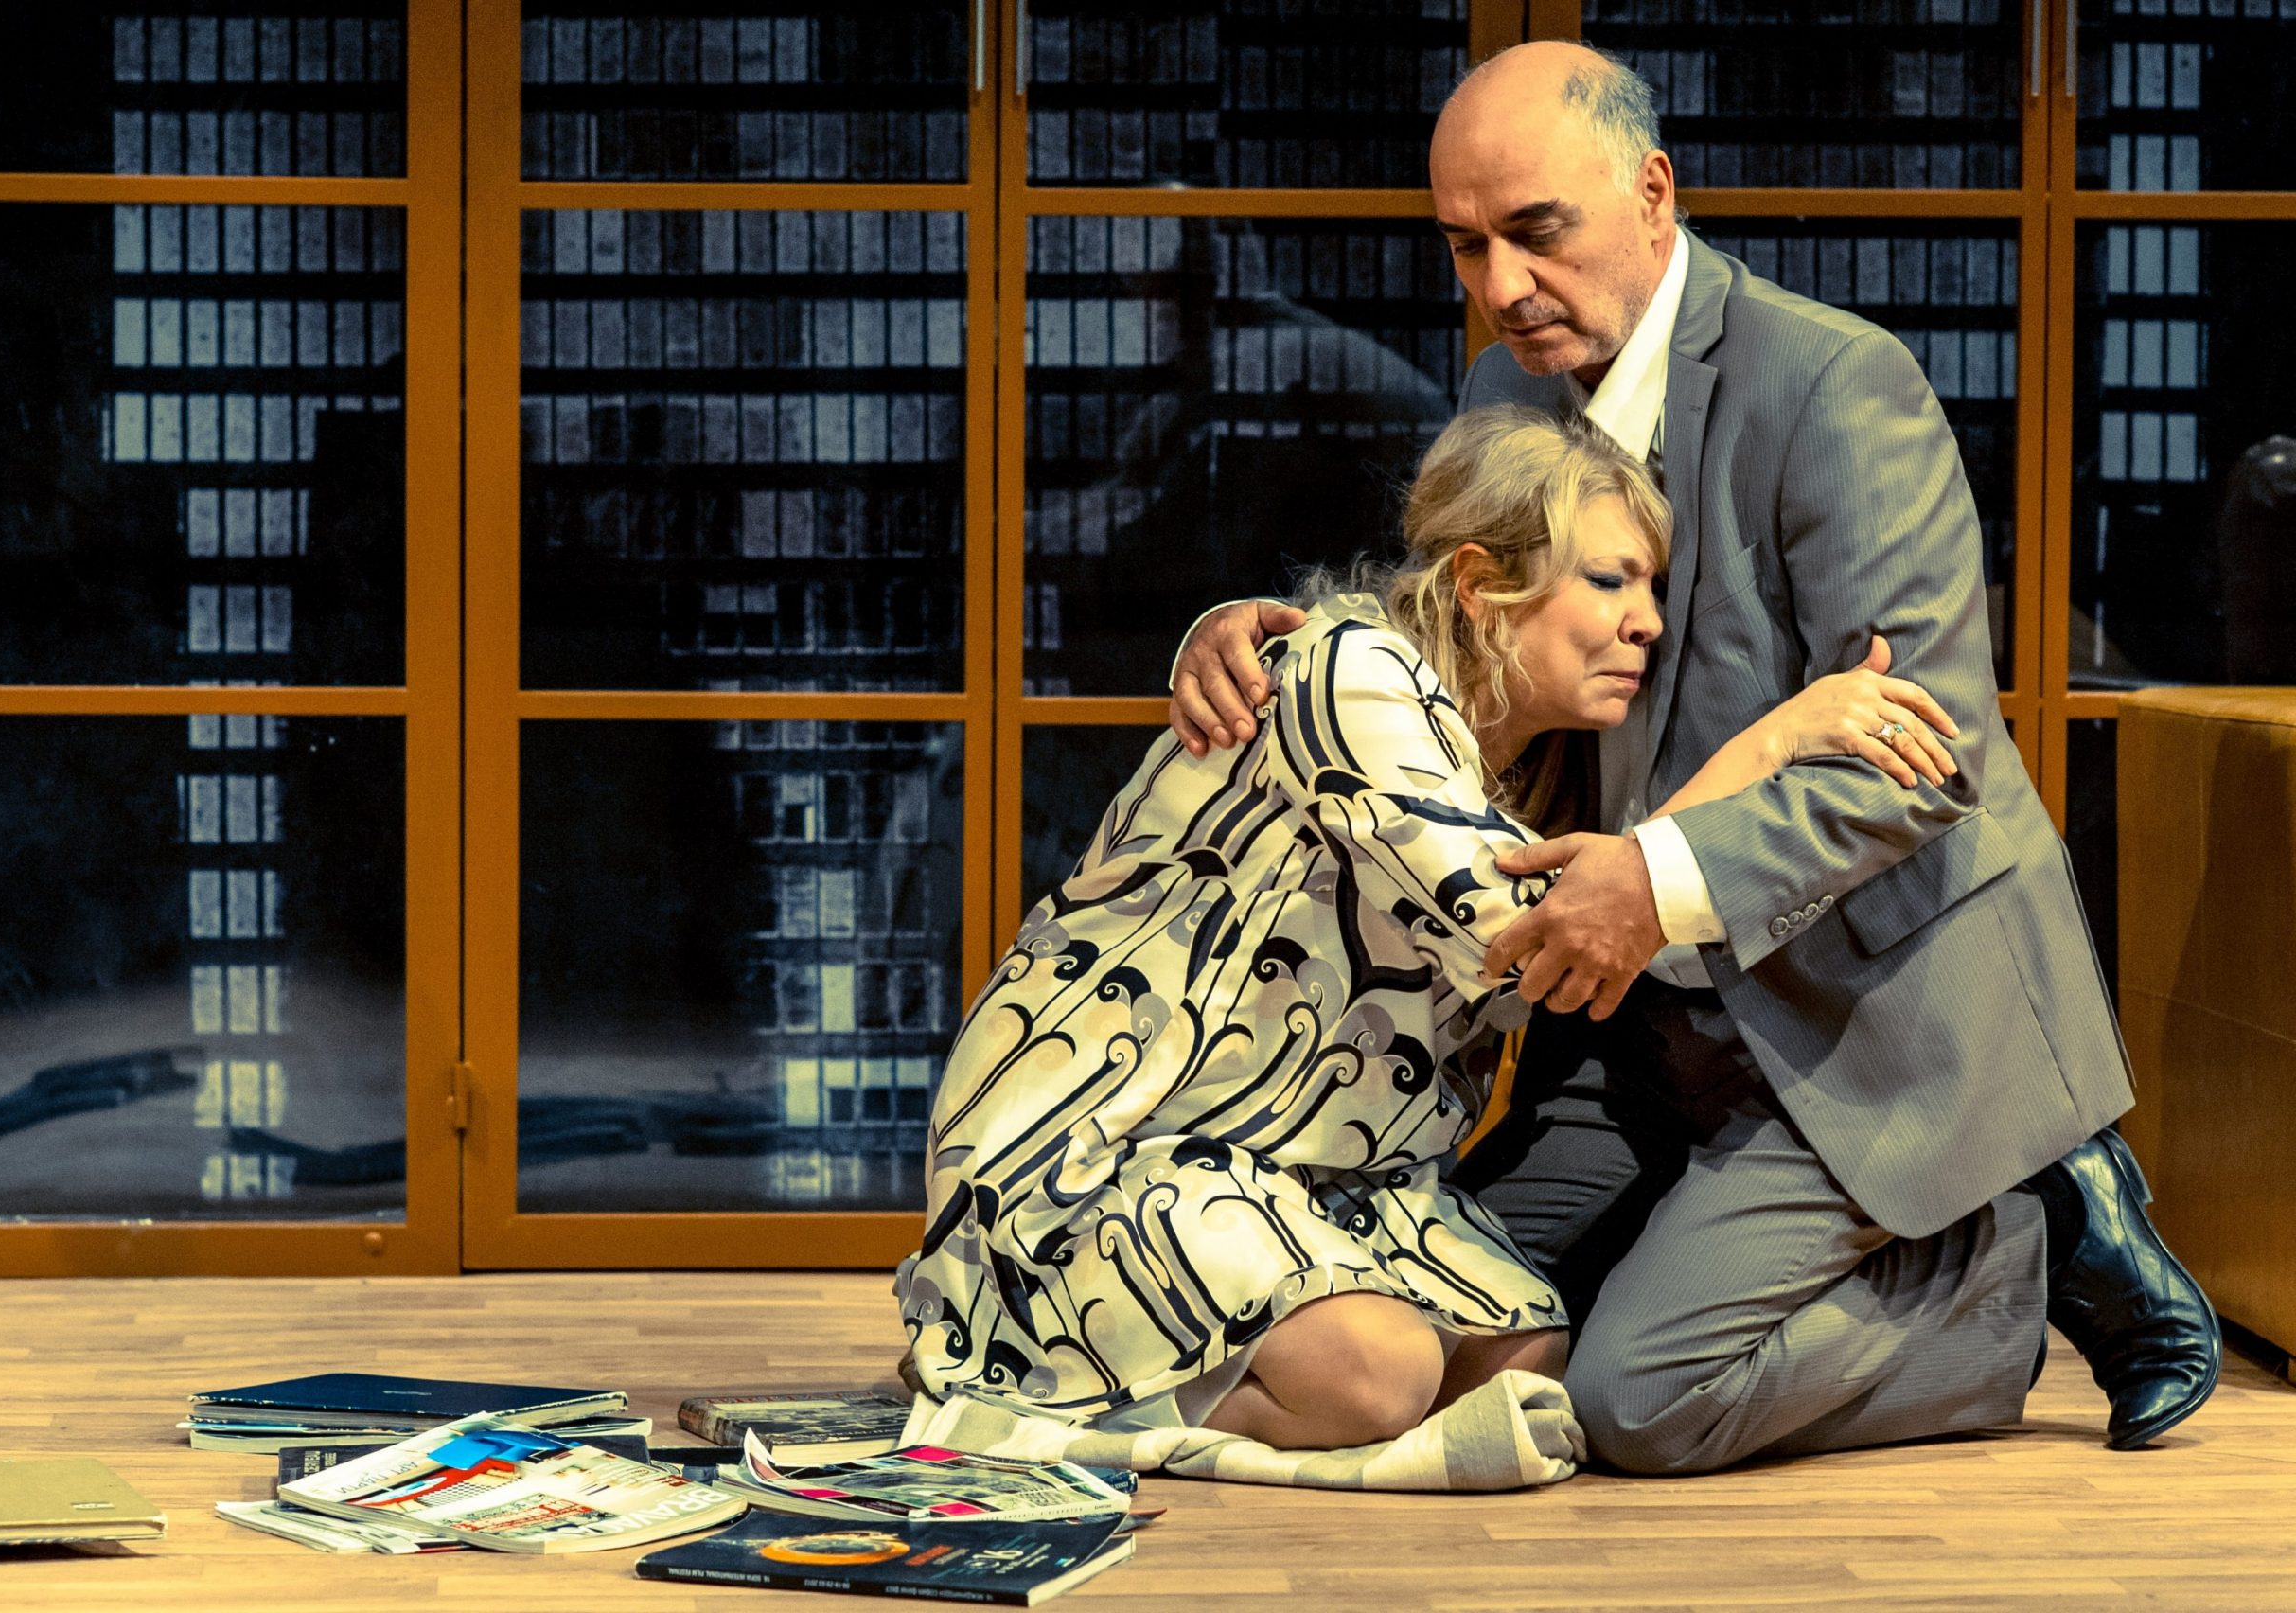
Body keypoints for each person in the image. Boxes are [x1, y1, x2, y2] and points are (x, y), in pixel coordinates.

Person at [1167, 42, 2219, 1475]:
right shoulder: (1503, 389)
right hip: (1632, 1032)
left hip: (1860, 1017)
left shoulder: (1839, 383)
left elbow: (1923, 757)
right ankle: (1786, 1241)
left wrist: (1652, 883)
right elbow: (1455, 642)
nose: (1500, 287)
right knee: (1472, 1334)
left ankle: (2006, 1254)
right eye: (1466, 246)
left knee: (1630, 1405)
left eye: (1536, 232)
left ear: (1652, 193)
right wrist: (1265, 636)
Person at [897, 406, 1959, 1473]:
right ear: (1479, 583)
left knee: (1526, 1357)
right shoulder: (1350, 673)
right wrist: (1775, 744)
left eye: (1651, 589)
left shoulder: (1526, 759)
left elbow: (1592, 936)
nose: (1647, 621)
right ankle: (1020, 1375)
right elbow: (1532, 935)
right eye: (1608, 580)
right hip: (1104, 1147)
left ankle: (1129, 1375)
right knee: (1380, 1376)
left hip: (1309, 1169)